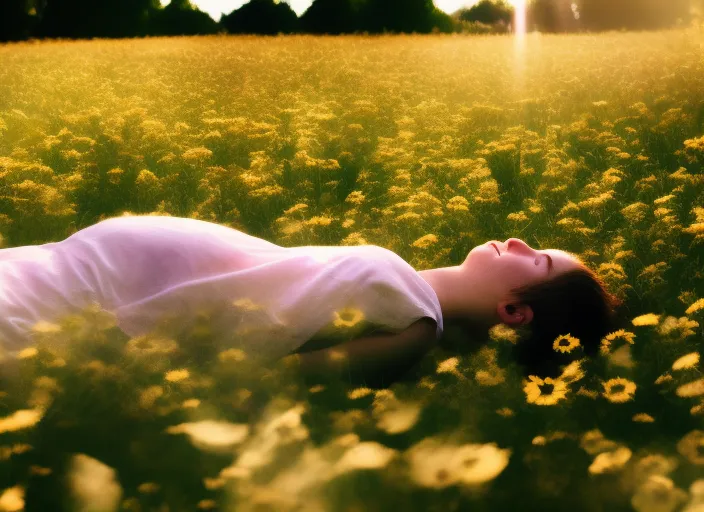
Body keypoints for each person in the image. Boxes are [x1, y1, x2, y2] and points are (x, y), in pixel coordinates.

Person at [0, 215, 622, 385]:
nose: (516, 238)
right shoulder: (410, 290)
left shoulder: (414, 327)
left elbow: (258, 376)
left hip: (64, 311)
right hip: (58, 271)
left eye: (534, 257)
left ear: (515, 311)